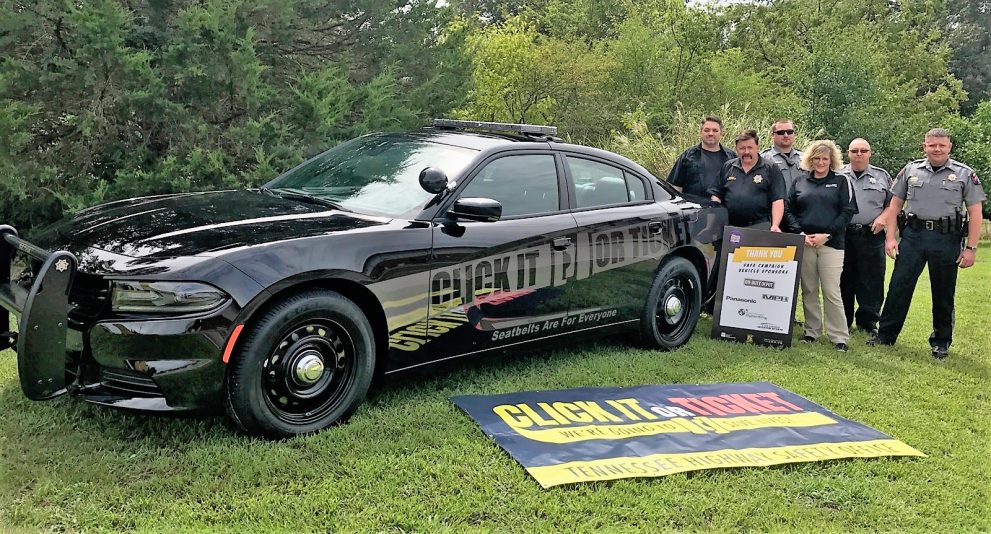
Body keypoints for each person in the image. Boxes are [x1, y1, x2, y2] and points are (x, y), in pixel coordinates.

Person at [869, 128, 986, 359]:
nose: (937, 149)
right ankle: (886, 335)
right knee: (899, 287)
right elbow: (894, 207)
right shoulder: (910, 170)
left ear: (949, 147)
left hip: (946, 238)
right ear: (925, 147)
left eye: (942, 145)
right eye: (932, 145)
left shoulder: (964, 174)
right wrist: (891, 238)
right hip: (913, 236)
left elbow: (976, 212)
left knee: (943, 291)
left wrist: (971, 248)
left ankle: (941, 341)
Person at [785, 140, 859, 352]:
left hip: (831, 243)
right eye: (816, 158)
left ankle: (839, 336)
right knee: (808, 289)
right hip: (805, 242)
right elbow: (789, 210)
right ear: (810, 159)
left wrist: (827, 235)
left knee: (831, 290)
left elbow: (847, 212)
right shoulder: (800, 182)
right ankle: (812, 331)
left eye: (824, 158)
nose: (820, 162)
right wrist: (801, 233)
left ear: (831, 160)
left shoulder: (841, 181)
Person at [838, 138, 892, 336]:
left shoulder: (882, 176)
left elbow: (893, 204)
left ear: (870, 153)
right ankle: (843, 320)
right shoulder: (838, 174)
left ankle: (868, 322)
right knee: (844, 279)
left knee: (872, 280)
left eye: (863, 150)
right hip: (844, 235)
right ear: (848, 153)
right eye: (854, 151)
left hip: (871, 235)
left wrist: (884, 218)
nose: (859, 154)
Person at [708, 129, 786, 231]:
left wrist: (775, 225)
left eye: (750, 147)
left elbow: (778, 200)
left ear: (757, 148)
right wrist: (717, 218)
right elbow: (716, 195)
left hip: (760, 227)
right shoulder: (728, 166)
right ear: (736, 149)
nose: (746, 152)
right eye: (742, 148)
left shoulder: (770, 168)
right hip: (731, 226)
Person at [667, 116, 737, 201]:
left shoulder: (732, 157)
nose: (711, 133)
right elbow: (676, 188)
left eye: (715, 130)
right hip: (694, 210)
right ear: (700, 132)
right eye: (706, 130)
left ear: (721, 133)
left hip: (723, 210)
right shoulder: (688, 155)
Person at [761, 119, 804, 194]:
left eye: (790, 132)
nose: (786, 135)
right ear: (772, 135)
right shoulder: (763, 158)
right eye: (781, 132)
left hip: (801, 204)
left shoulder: (804, 157)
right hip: (776, 204)